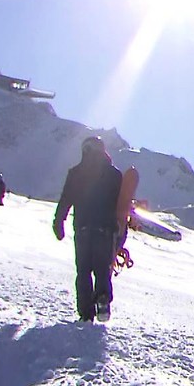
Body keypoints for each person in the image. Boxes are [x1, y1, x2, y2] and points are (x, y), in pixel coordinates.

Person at [53, 136, 124, 324]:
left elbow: (66, 199)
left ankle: (86, 313)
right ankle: (102, 298)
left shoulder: (75, 173)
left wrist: (58, 222)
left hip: (83, 229)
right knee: (102, 269)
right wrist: (121, 232)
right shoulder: (114, 175)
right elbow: (121, 206)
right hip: (105, 230)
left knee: (83, 271)